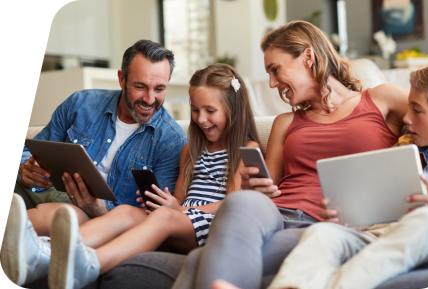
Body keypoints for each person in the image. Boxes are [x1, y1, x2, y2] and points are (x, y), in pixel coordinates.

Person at [170, 20, 409, 289]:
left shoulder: (381, 100)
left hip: (323, 221)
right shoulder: (285, 123)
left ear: (308, 56)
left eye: (275, 70)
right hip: (273, 214)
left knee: (196, 261)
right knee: (240, 202)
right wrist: (252, 186)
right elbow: (267, 189)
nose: (272, 83)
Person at [2, 64, 262, 289]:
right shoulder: (190, 150)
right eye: (195, 110)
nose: (201, 119)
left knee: (161, 218)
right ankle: (47, 251)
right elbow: (180, 198)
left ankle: (89, 264)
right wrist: (167, 203)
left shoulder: (245, 151)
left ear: (233, 109)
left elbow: (235, 205)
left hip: (212, 223)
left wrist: (177, 211)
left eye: (210, 111)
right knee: (127, 212)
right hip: (179, 219)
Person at [264, 59, 428, 289]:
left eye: (417, 110)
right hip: (379, 237)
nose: (407, 118)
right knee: (323, 233)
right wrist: (350, 219)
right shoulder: (406, 148)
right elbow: (375, 206)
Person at [2, 40, 187, 286]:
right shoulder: (81, 104)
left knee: (57, 215)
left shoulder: (171, 141)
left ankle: (32, 248)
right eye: (140, 86)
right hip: (45, 191)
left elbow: (150, 222)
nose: (150, 99)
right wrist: (25, 170)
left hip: (94, 218)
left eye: (160, 88)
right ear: (122, 79)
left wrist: (97, 209)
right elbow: (34, 151)